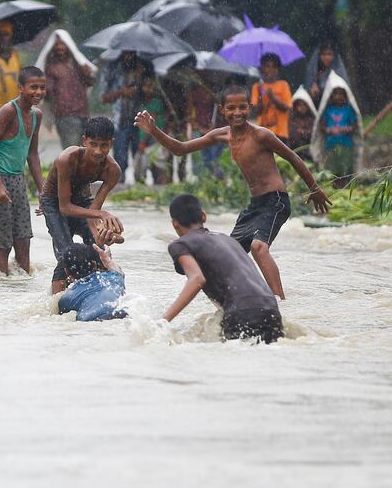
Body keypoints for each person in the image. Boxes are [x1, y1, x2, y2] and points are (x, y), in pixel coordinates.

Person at [135, 85, 331, 300]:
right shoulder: (222, 135)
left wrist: (315, 188)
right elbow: (180, 149)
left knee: (258, 247)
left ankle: (280, 303)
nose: (237, 112)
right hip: (254, 205)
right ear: (222, 110)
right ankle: (233, 302)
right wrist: (154, 131)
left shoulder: (261, 135)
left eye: (242, 107)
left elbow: (293, 157)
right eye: (231, 108)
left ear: (250, 107)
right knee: (228, 255)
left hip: (276, 201)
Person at [163, 194, 283, 343]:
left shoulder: (180, 244)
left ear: (174, 224)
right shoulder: (228, 240)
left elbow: (197, 278)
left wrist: (164, 320)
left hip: (241, 312)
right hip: (271, 310)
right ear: (203, 216)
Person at [40, 116, 123, 293]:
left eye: (104, 145)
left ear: (111, 143)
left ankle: (97, 291)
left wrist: (101, 239)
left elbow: (93, 211)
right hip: (55, 203)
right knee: (67, 253)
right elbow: (65, 208)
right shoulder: (67, 159)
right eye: (93, 144)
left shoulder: (112, 170)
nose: (98, 151)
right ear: (84, 141)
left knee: (97, 249)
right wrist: (102, 215)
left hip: (83, 202)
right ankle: (57, 300)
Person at [0, 66, 46, 275]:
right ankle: (1, 293)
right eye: (33, 87)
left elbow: (33, 155)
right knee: (4, 245)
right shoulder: (9, 111)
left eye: (42, 87)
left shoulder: (37, 115)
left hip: (18, 181)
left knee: (23, 240)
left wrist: (42, 190)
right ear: (20, 88)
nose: (38, 92)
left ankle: (21, 291)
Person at [36, 29, 96, 149]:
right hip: (65, 115)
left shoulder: (77, 64)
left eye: (62, 44)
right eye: (57, 44)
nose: (60, 47)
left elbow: (90, 82)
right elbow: (47, 92)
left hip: (83, 113)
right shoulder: (51, 68)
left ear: (68, 46)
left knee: (84, 153)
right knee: (71, 153)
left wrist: (87, 74)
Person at [57, 231, 128, 322]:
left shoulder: (67, 298)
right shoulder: (112, 278)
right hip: (121, 314)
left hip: (92, 320)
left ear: (67, 272)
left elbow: (60, 317)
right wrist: (107, 260)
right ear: (94, 264)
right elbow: (119, 272)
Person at [310, 71, 364, 188]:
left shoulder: (349, 109)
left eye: (341, 94)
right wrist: (329, 130)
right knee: (333, 171)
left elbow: (355, 125)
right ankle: (334, 189)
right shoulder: (328, 110)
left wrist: (347, 129)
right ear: (330, 96)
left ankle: (346, 188)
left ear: (346, 96)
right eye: (335, 94)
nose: (338, 97)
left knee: (346, 169)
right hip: (331, 146)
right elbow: (321, 126)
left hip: (346, 145)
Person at [100, 51, 147, 181]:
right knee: (120, 161)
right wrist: (121, 92)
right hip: (119, 121)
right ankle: (120, 187)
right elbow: (103, 98)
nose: (129, 56)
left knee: (141, 159)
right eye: (126, 53)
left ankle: (141, 189)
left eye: (131, 53)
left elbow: (150, 92)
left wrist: (140, 85)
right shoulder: (111, 69)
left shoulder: (143, 67)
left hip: (141, 120)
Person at [251, 53, 292, 144]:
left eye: (274, 67)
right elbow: (256, 111)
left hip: (280, 133)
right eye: (267, 66)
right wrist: (261, 96)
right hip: (263, 132)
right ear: (262, 69)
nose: (271, 70)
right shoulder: (257, 87)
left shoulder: (283, 85)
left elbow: (286, 107)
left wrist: (273, 98)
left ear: (278, 70)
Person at [188, 77, 225, 177]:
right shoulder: (194, 93)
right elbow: (191, 118)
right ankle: (203, 181)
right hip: (199, 131)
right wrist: (202, 129)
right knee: (200, 162)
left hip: (215, 132)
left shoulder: (216, 93)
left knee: (215, 160)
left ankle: (216, 180)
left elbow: (222, 115)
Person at [135, 76, 167, 182]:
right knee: (146, 166)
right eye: (146, 86)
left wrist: (143, 142)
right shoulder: (141, 102)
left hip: (154, 138)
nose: (148, 89)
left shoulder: (156, 102)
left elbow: (151, 124)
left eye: (150, 86)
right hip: (145, 137)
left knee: (158, 166)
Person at [288, 85, 317, 161]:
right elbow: (291, 134)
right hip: (295, 151)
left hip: (309, 151)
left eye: (304, 105)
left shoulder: (311, 120)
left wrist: (304, 132)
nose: (302, 107)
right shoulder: (292, 120)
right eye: (299, 105)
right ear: (295, 107)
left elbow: (314, 134)